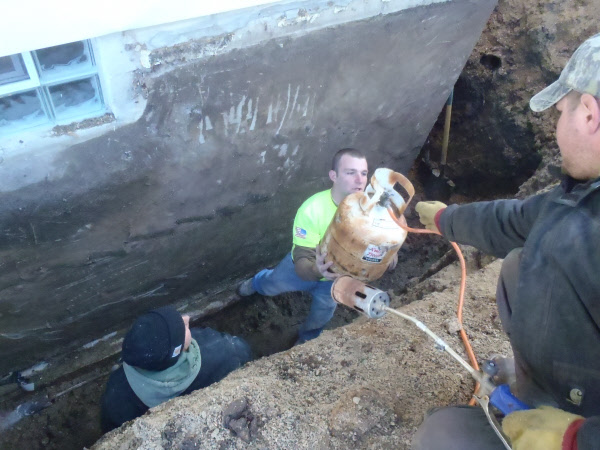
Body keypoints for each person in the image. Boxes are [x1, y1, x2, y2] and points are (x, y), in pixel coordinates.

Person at [411, 34, 600, 450]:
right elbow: (515, 219)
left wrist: (575, 437)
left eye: (560, 112)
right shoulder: (581, 197)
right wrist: (444, 218)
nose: (556, 126)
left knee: (442, 437)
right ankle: (541, 390)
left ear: (589, 114)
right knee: (520, 265)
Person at [238, 148, 396, 344]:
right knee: (272, 284)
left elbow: (385, 243)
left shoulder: (374, 212)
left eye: (364, 173)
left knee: (322, 314)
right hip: (303, 268)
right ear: (333, 176)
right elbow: (302, 259)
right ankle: (256, 283)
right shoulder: (312, 210)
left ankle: (305, 341)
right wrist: (315, 269)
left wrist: (388, 255)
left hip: (336, 279)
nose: (360, 180)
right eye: (350, 172)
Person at [100, 306, 252, 432]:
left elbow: (112, 432)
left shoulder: (116, 393)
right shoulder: (221, 349)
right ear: (175, 352)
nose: (187, 318)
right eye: (183, 328)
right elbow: (242, 351)